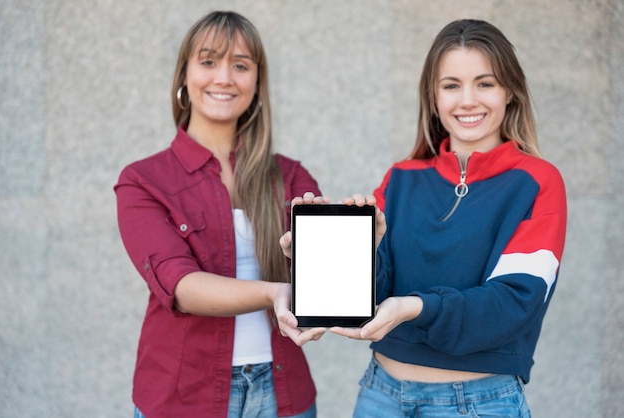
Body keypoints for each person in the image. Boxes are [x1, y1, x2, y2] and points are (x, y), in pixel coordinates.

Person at [281, 19, 567, 417]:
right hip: (380, 396)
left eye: (484, 83)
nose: (467, 100)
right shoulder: (401, 178)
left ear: (510, 92)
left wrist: (417, 307)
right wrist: (329, 256)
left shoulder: (537, 182)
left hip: (478, 404)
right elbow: (374, 295)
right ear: (433, 97)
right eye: (451, 85)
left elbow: (512, 304)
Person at [114, 11, 325, 418]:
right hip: (183, 399)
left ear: (257, 83)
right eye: (209, 61)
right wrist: (272, 292)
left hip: (284, 395)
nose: (224, 77)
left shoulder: (291, 176)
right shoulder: (143, 181)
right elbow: (182, 286)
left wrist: (354, 245)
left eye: (241, 65)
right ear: (184, 76)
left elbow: (320, 277)